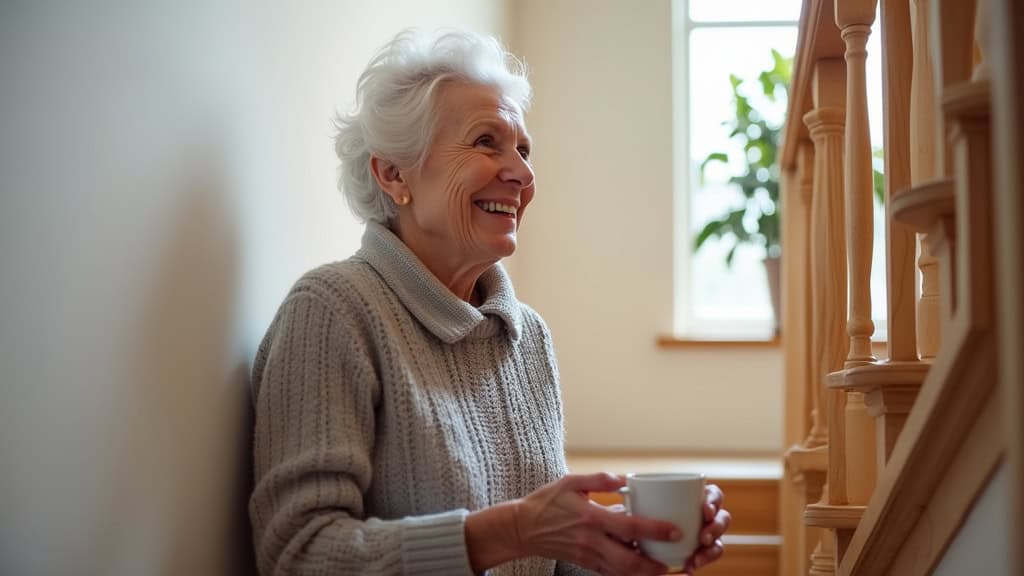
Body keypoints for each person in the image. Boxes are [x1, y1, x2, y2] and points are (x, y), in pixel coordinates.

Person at [249, 29, 730, 576]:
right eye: (486, 141)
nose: (523, 175)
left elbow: (544, 563)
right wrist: (511, 531)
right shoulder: (333, 311)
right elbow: (298, 553)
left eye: (523, 149)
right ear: (393, 172)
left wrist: (635, 545)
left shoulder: (526, 335)